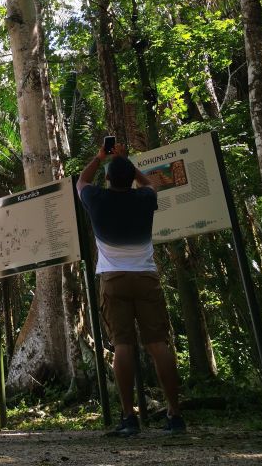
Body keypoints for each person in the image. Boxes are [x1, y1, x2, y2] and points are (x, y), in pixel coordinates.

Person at [77, 141, 186, 436]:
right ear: (130, 179)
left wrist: (100, 158)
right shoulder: (144, 199)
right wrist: (125, 161)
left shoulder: (97, 199)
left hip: (113, 279)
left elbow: (82, 181)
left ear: (109, 180)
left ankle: (129, 416)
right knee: (158, 344)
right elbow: (149, 183)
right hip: (146, 277)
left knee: (123, 346)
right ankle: (175, 414)